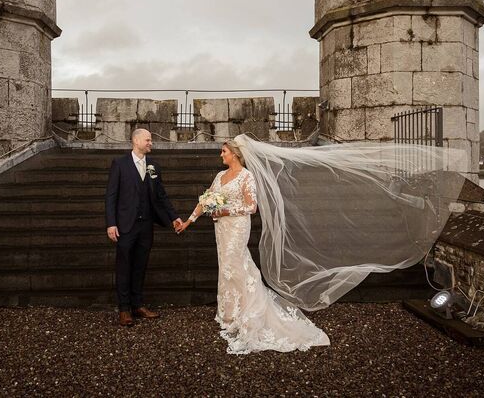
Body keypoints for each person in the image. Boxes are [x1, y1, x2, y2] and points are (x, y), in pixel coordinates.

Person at [176, 140, 330, 354]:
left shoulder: (246, 176)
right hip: (221, 228)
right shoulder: (220, 176)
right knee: (227, 267)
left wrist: (226, 211)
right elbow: (205, 200)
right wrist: (188, 221)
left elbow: (252, 206)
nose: (221, 155)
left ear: (234, 154)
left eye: (224, 151)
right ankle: (230, 313)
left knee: (236, 264)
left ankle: (249, 311)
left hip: (237, 226)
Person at [105, 128, 183, 326]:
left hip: (146, 225)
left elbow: (161, 195)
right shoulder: (120, 164)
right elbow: (111, 196)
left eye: (150, 140)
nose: (151, 143)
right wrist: (111, 223)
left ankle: (137, 305)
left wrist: (173, 217)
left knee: (140, 265)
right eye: (147, 140)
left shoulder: (153, 166)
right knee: (124, 266)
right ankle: (124, 309)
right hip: (125, 225)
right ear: (136, 141)